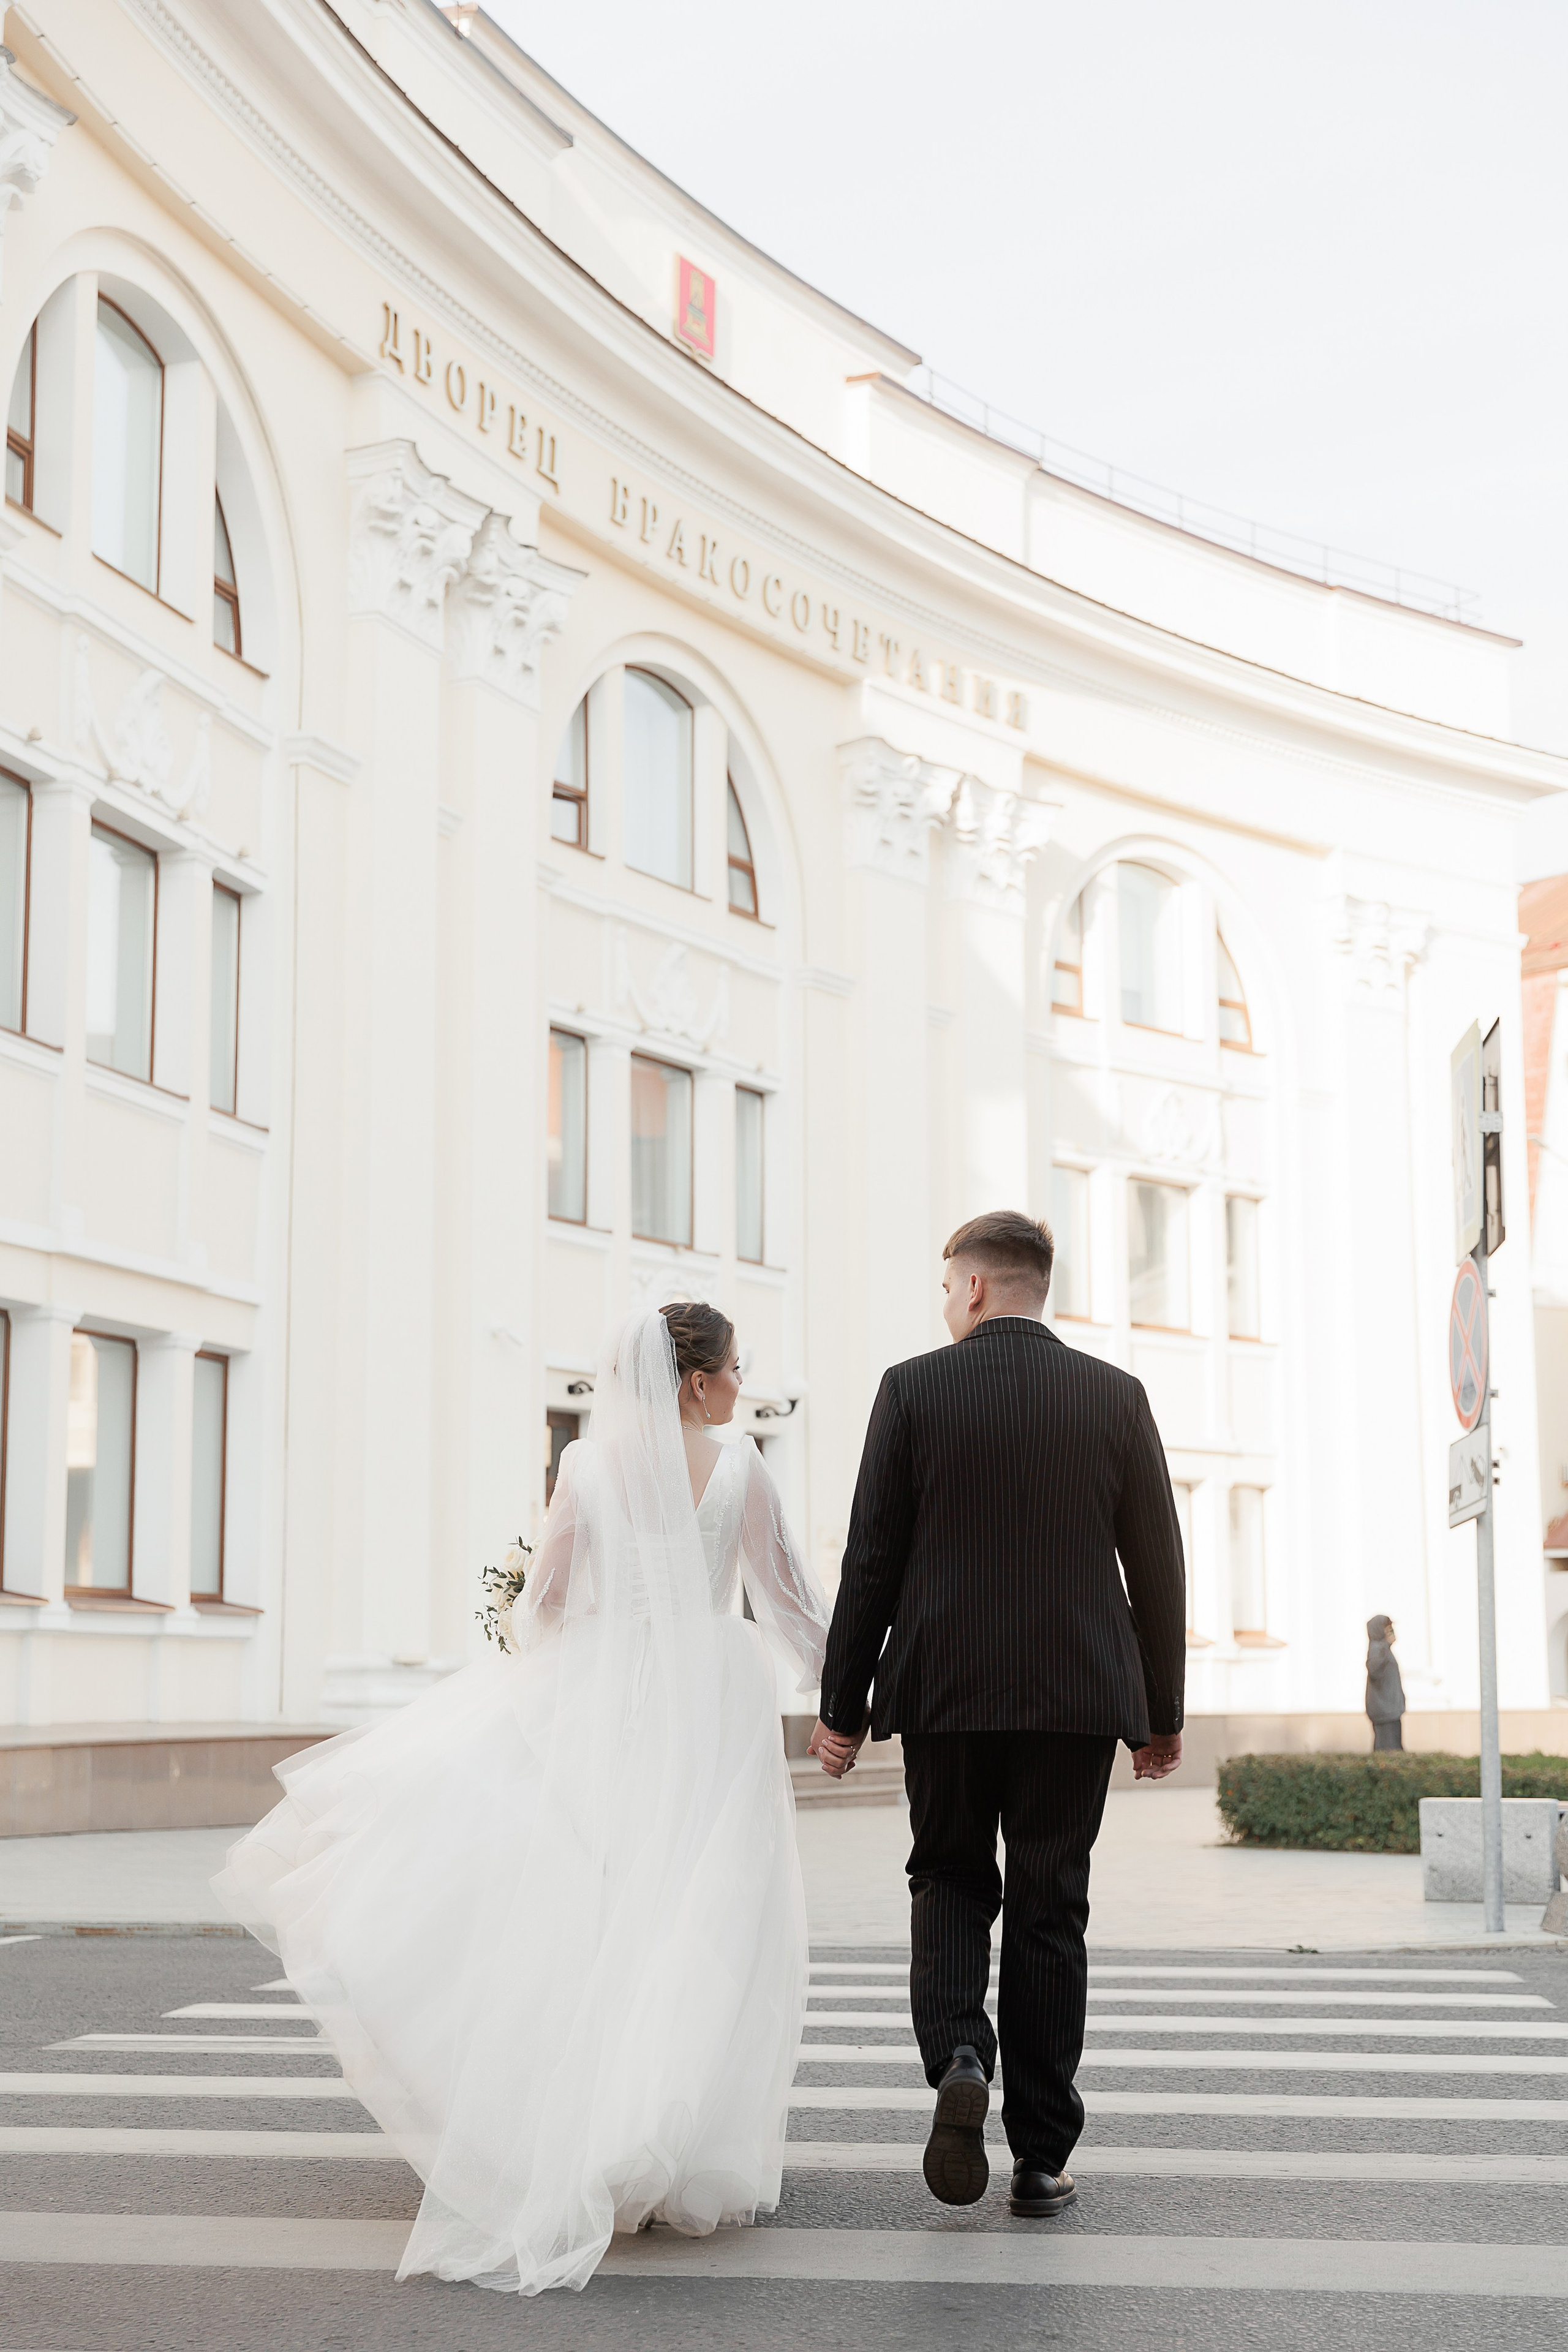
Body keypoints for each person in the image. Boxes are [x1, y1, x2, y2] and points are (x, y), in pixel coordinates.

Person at [214, 1302, 829, 2297]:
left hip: (607, 1700)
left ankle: (587, 2134)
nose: (741, 1384)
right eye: (734, 1369)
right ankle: (668, 2142)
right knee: (703, 1911)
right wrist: (845, 1704)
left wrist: (551, 1678)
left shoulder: (588, 1468)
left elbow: (544, 1603)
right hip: (713, 1701)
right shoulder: (744, 1464)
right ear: (697, 1381)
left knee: (601, 1909)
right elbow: (791, 1602)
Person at [809, 1209, 1186, 2221]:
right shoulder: (1114, 1396)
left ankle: (960, 2055)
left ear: (973, 1288)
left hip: (944, 1691)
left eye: (946, 1288)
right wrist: (1161, 1712)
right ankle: (1040, 2160)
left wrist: (841, 1706)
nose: (945, 1304)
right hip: (1075, 1694)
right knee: (1052, 1906)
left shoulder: (913, 1390)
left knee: (948, 1876)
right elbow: (1157, 1565)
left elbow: (871, 1562)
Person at [1365, 1614, 1406, 1750]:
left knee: (1391, 1751)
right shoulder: (1378, 1649)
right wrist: (1386, 1646)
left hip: (1390, 1712)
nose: (1391, 1631)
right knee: (1390, 1753)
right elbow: (1374, 1670)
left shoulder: (1383, 1649)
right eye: (1387, 1628)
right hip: (1385, 1713)